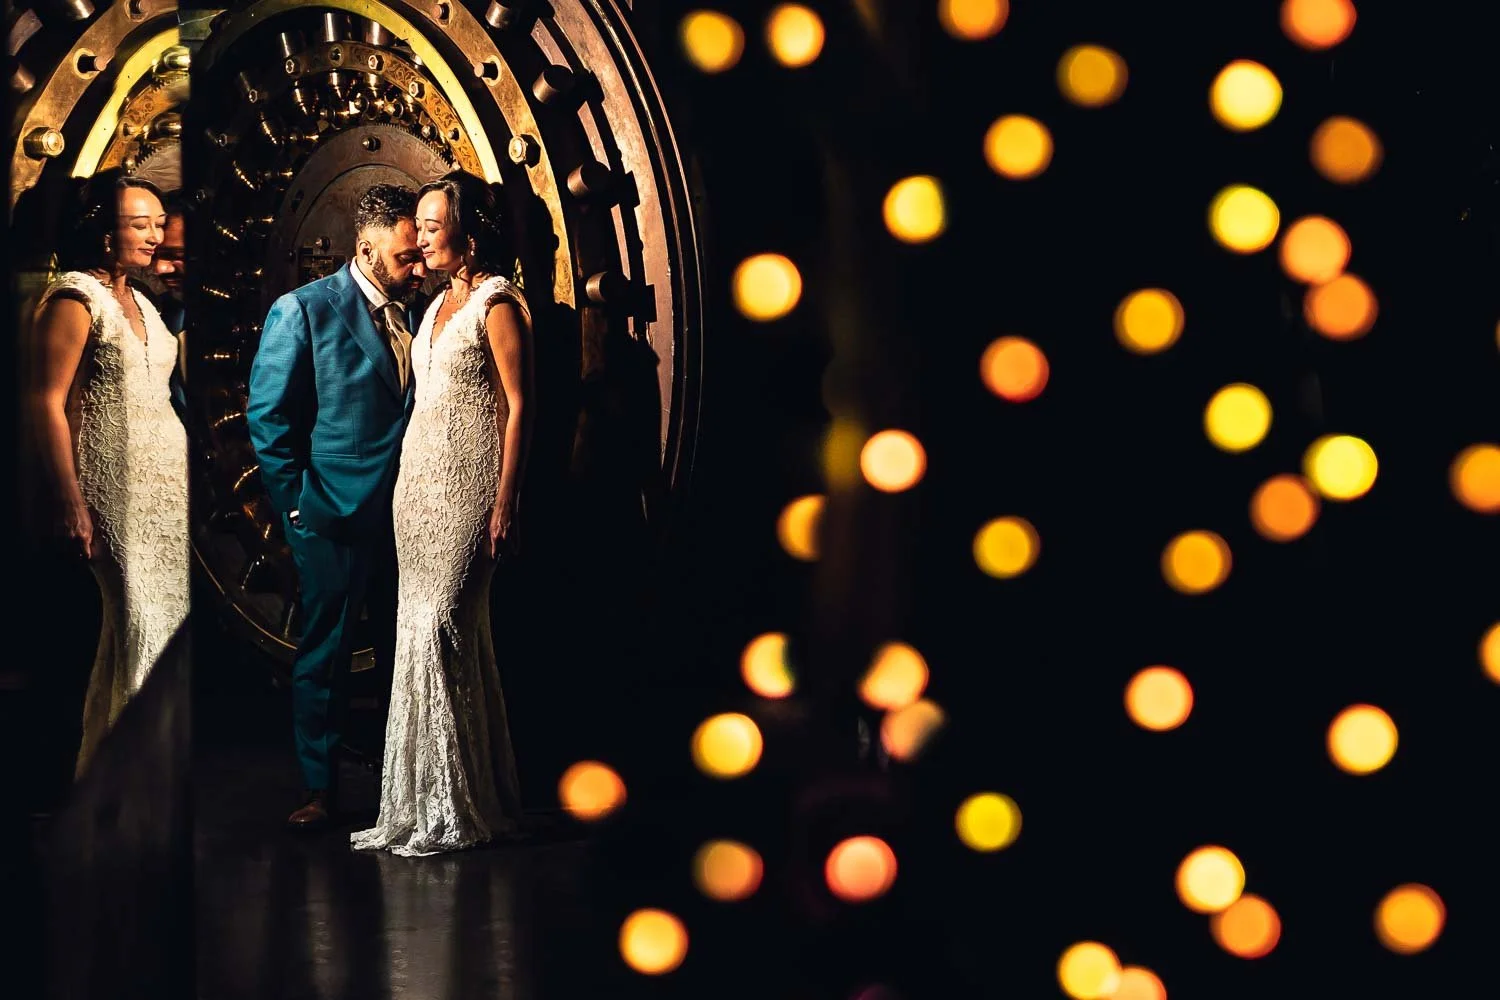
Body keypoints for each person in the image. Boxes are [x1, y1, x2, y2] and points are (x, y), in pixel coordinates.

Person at [351, 169, 532, 856]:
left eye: (431, 226)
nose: (419, 238)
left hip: (469, 488)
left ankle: (460, 807)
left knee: (446, 627)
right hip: (417, 490)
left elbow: (518, 408)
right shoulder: (433, 308)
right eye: (419, 227)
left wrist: (506, 499)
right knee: (418, 635)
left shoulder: (498, 304)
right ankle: (423, 803)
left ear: (468, 231)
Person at [246, 184, 426, 830]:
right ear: (367, 247)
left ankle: (393, 782)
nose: (418, 267)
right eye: (406, 258)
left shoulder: (414, 312)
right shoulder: (305, 311)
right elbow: (266, 418)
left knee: (396, 653)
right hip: (333, 520)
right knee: (324, 659)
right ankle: (319, 791)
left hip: (404, 521)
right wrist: (299, 508)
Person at [29, 169, 189, 777]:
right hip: (112, 489)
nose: (154, 236)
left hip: (166, 488)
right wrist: (70, 502)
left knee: (162, 635)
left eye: (157, 223)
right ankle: (139, 794)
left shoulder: (143, 301)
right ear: (102, 231)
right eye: (139, 224)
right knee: (142, 625)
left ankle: (122, 787)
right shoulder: (73, 298)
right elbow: (45, 400)